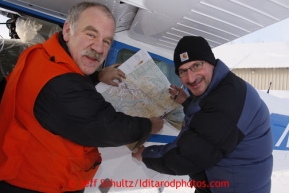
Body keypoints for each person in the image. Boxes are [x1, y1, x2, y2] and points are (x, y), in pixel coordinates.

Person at [0, 2, 164, 193]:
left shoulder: (39, 54)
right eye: (91, 34)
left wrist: (97, 77)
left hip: (21, 165)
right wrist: (149, 125)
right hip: (37, 184)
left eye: (107, 41)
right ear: (68, 30)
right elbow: (108, 127)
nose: (99, 48)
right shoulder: (64, 88)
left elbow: (62, 88)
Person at [132, 36, 273, 193]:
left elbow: (186, 157)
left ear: (211, 63)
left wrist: (145, 154)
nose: (190, 78)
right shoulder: (223, 87)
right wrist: (188, 103)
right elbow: (208, 120)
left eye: (196, 66)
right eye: (183, 71)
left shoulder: (227, 101)